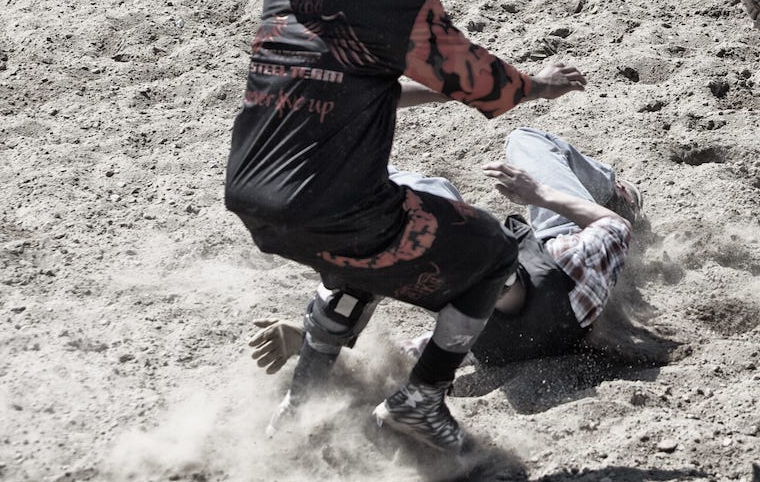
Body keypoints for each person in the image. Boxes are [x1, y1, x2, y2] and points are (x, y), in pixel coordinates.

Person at [225, 0, 588, 454]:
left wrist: (449, 92)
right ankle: (422, 398)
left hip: (256, 198)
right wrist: (537, 86)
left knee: (355, 260)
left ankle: (301, 399)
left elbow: (356, 90)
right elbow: (485, 85)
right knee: (494, 252)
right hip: (337, 206)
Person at [249, 126, 643, 375]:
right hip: (564, 250)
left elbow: (399, 360)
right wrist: (540, 194)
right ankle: (618, 188)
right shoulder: (573, 264)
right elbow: (614, 225)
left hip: (540, 319)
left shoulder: (467, 334)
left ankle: (366, 191)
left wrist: (309, 340)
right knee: (525, 140)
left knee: (434, 196)